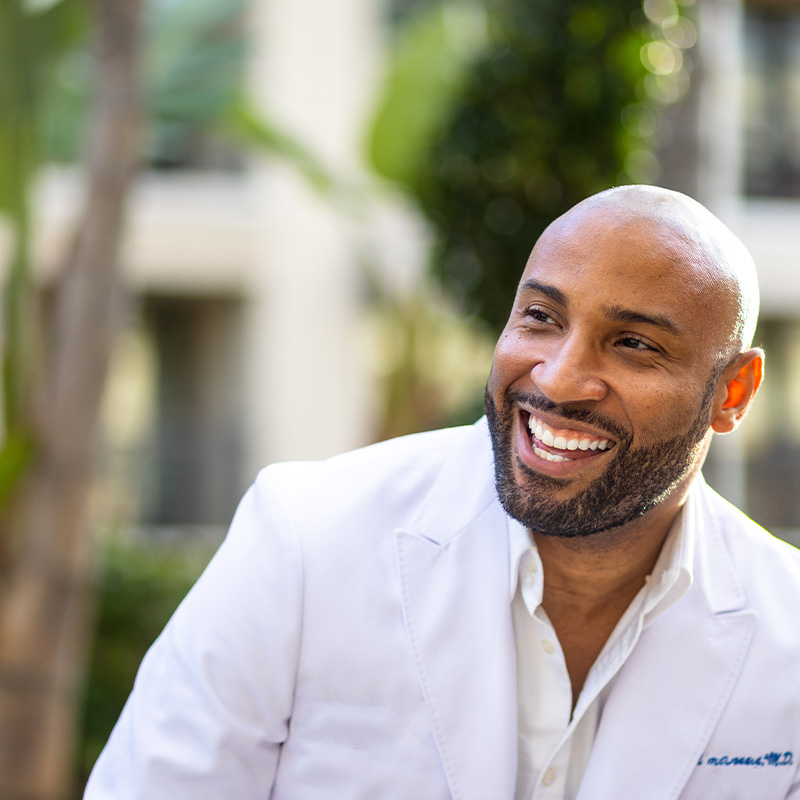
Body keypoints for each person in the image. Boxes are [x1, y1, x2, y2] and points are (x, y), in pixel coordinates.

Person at [84, 185, 800, 800]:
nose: (554, 378)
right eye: (542, 318)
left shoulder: (788, 632)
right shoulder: (306, 540)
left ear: (731, 393)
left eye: (634, 344)